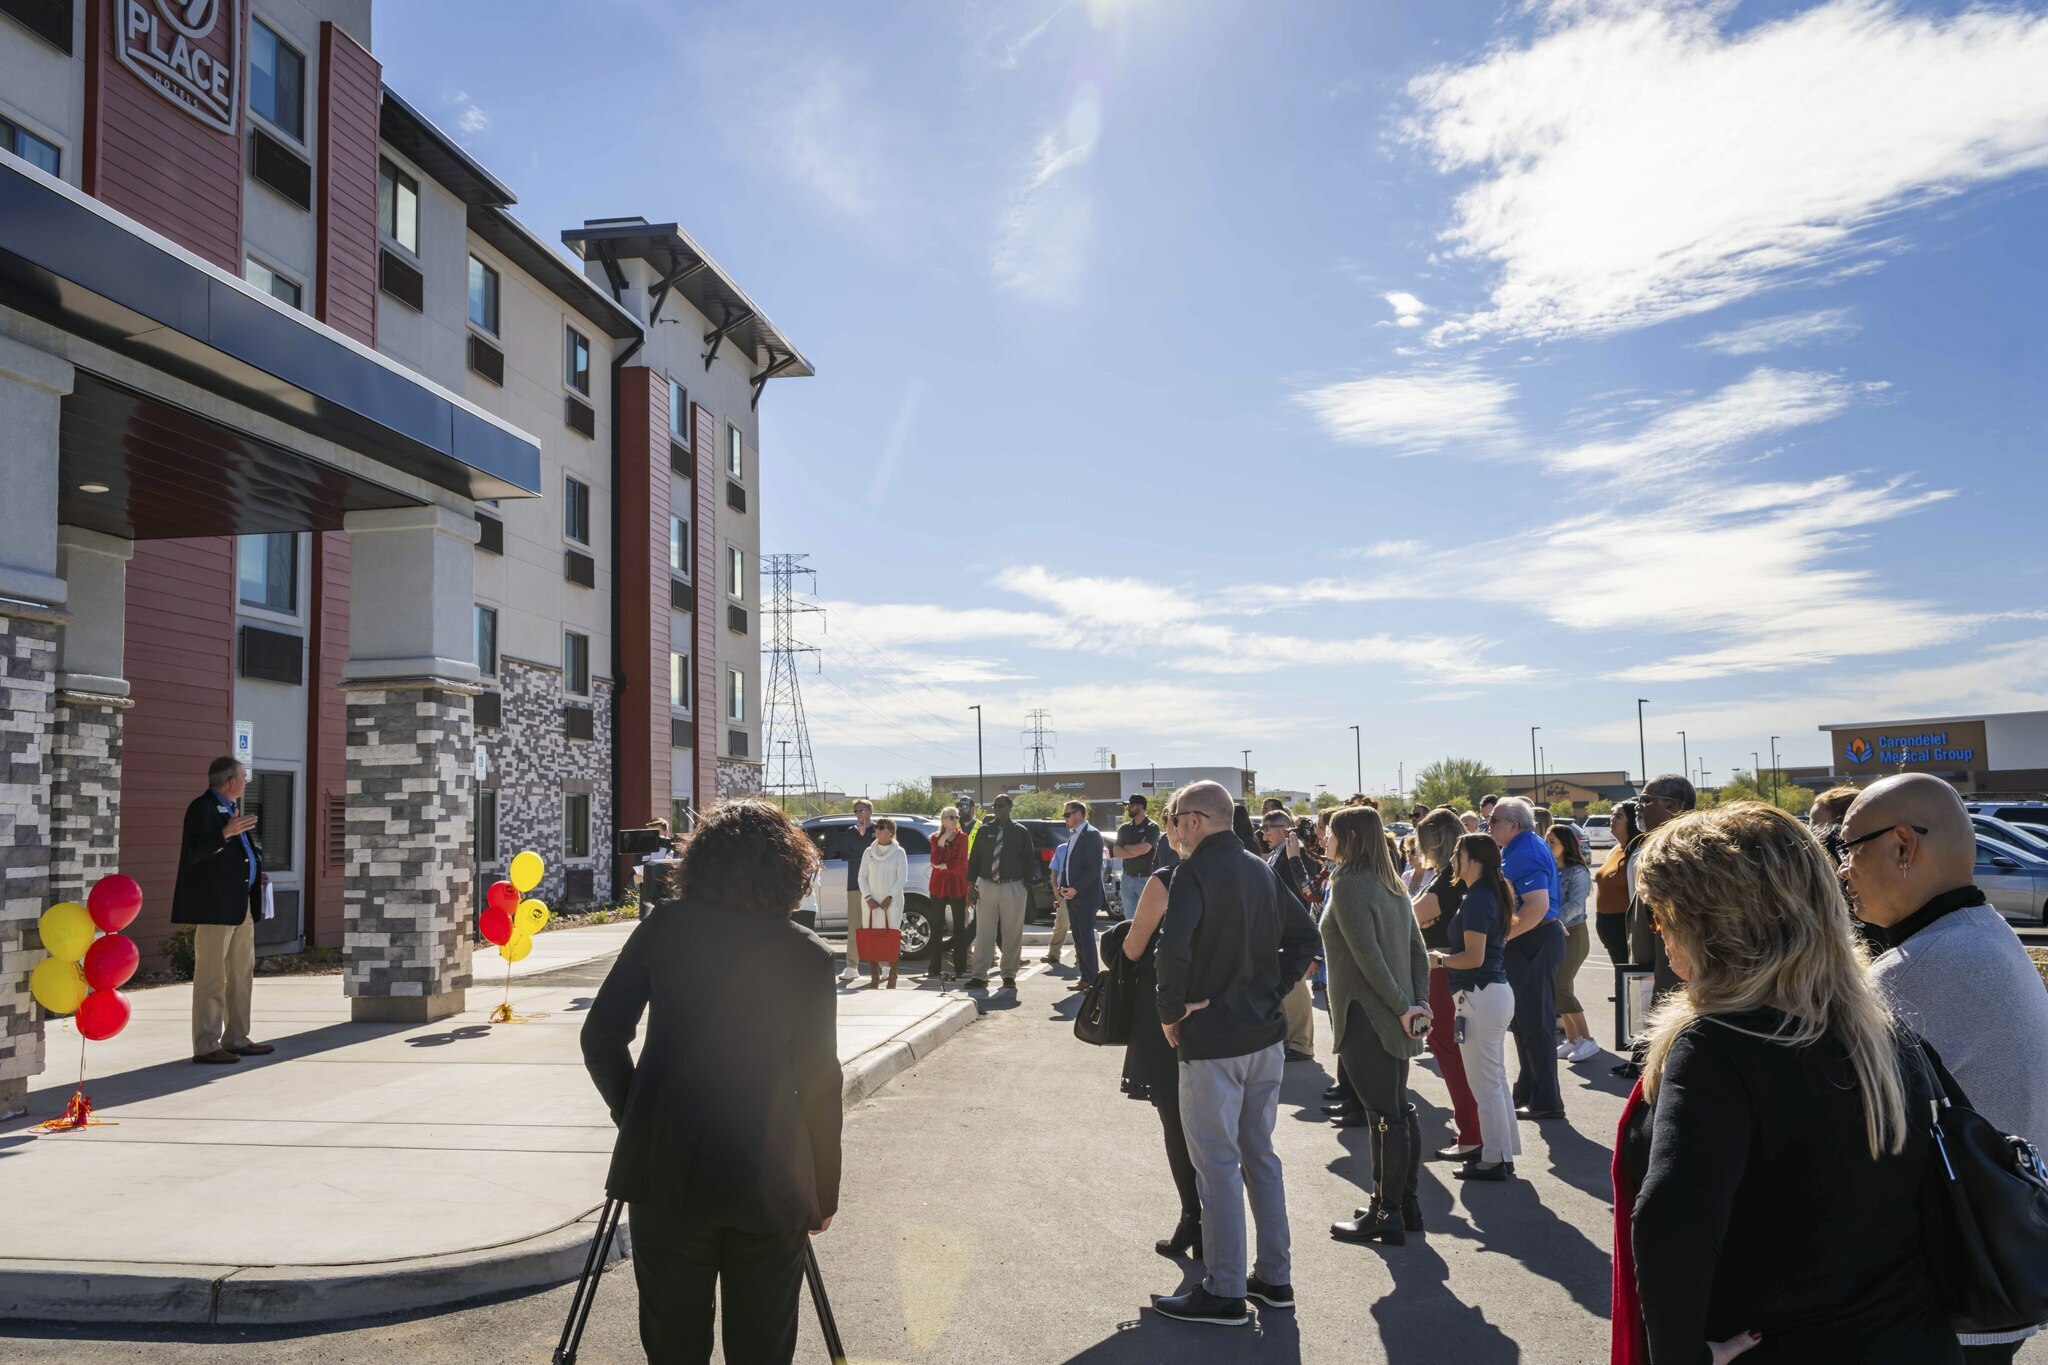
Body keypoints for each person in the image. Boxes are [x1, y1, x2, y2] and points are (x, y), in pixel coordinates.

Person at [1615, 802, 1959, 1365]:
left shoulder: (1716, 1045)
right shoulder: (1880, 1031)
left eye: (1660, 916)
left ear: (1710, 923)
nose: (1659, 935)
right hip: (1911, 1338)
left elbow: (1672, 1226)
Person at [580, 799, 842, 1365]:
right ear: (789, 870)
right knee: (763, 1348)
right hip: (772, 1180)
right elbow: (820, 1083)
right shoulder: (809, 957)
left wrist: (639, 1116)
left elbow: (600, 1037)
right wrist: (824, 1189)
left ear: (700, 862)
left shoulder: (665, 928)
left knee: (673, 1346)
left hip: (666, 1171)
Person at [1841, 774, 2048, 1365]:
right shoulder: (1982, 933)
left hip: (1944, 1297)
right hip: (1994, 1266)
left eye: (1849, 848)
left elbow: (1835, 1123)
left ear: (1903, 845)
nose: (1843, 871)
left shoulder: (1920, 967)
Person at [1151, 781, 1319, 1326]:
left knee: (1218, 1163)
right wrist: (1271, 991)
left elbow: (1170, 948)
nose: (1171, 827)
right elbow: (1306, 937)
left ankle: (1223, 1290)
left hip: (1215, 1041)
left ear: (1195, 820)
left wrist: (1170, 1011)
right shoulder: (1258, 867)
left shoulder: (1194, 872)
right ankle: (1274, 1277)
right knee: (1259, 1156)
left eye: (1173, 817)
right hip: (1263, 1038)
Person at [1322, 805, 1432, 1246]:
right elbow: (1417, 953)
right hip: (1393, 1015)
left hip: (1368, 1016)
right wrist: (1416, 1003)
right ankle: (1402, 1205)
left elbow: (1369, 960)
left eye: (1330, 833)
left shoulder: (1348, 885)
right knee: (1397, 1107)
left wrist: (1406, 1006)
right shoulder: (1391, 884)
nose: (1324, 840)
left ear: (1348, 838)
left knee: (1384, 1115)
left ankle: (1385, 1212)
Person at [1120, 795, 1202, 1263]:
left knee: (1176, 1121)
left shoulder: (1166, 880)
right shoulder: (1251, 872)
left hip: (1170, 1013)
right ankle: (1212, 1225)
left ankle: (1194, 1217)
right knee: (1221, 1130)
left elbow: (1134, 948)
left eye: (1169, 822)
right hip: (1232, 1018)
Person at [1429, 832, 1520, 1181]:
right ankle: (1500, 1152)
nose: (1453, 859)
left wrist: (1437, 961)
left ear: (1476, 860)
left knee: (1487, 1083)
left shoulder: (1479, 899)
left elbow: (1473, 958)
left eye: (1458, 853)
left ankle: (1494, 1159)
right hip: (1487, 995)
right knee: (1492, 1080)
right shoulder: (1481, 895)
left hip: (1481, 995)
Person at [173, 756, 272, 1065]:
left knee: (242, 973)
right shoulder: (201, 808)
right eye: (244, 777)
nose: (246, 782)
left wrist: (256, 871)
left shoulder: (231, 809)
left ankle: (237, 1037)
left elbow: (239, 857)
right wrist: (224, 834)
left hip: (241, 903)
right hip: (215, 907)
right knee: (212, 977)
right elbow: (195, 853)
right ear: (230, 781)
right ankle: (206, 1044)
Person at [1411, 808, 1485, 1162]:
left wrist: (1426, 918)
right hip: (1447, 970)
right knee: (1456, 1051)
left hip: (1445, 971)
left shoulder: (1448, 880)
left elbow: (1413, 916)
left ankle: (1471, 1132)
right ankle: (1472, 1128)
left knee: (1450, 1050)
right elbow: (1418, 914)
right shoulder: (1448, 877)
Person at [1615, 775, 1696, 1080]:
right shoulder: (1651, 843)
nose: (1639, 808)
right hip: (1646, 972)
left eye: (1646, 801)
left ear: (1673, 806)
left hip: (1672, 975)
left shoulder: (1686, 848)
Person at [1489, 796, 1566, 1120]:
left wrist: (1501, 938)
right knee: (1523, 1023)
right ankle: (1529, 1090)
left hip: (1534, 939)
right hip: (1528, 940)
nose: (1488, 825)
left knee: (1536, 1024)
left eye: (1494, 820)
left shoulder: (1527, 849)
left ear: (1513, 825)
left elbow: (1535, 907)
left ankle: (1547, 1100)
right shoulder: (1518, 847)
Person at [965, 794, 1043, 992]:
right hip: (987, 886)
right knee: (984, 933)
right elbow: (974, 859)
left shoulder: (1020, 832)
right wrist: (970, 885)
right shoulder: (985, 831)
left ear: (1010, 807)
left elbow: (1028, 860)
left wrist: (1025, 886)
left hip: (1013, 887)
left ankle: (1009, 975)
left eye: (1000, 805)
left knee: (1012, 933)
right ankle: (980, 976)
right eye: (994, 805)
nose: (997, 809)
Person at [1263, 809, 1318, 1063]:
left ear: (1284, 830)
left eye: (1267, 828)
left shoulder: (1297, 853)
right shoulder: (1276, 853)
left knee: (1295, 987)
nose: (1263, 835)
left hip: (1294, 930)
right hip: (1278, 929)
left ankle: (1301, 1043)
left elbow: (1305, 891)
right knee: (1285, 987)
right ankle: (1289, 1040)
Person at [1550, 824, 1597, 1063]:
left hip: (1574, 933)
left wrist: (1549, 919)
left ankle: (1587, 1040)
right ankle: (1573, 1039)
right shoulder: (1553, 870)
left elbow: (1576, 906)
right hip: (1557, 934)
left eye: (1552, 843)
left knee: (1561, 986)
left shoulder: (1577, 872)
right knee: (1559, 988)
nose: (1548, 847)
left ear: (1565, 845)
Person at [1056, 800, 1106, 988]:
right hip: (1072, 895)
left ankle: (1093, 979)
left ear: (1079, 814)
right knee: (1078, 937)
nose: (1065, 819)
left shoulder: (1092, 834)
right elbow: (1069, 865)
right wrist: (1065, 886)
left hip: (1086, 896)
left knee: (1086, 937)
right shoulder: (1074, 835)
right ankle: (1085, 978)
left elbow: (1094, 868)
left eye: (1067, 815)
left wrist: (1076, 888)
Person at [856, 818, 908, 990]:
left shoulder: (899, 852)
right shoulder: (868, 852)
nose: (876, 830)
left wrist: (890, 897)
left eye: (881, 828)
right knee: (872, 936)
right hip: (871, 902)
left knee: (891, 937)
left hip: (892, 903)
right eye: (876, 827)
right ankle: (874, 977)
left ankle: (892, 977)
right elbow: (861, 877)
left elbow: (902, 878)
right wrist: (868, 897)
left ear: (891, 831)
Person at [837, 799, 880, 985]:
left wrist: (863, 845)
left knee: (877, 925)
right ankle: (851, 966)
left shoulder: (879, 830)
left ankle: (883, 965)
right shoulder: (850, 832)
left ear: (870, 811)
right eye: (855, 811)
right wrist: (862, 845)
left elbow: (879, 854)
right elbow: (845, 855)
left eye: (861, 810)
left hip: (876, 885)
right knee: (855, 926)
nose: (858, 814)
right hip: (855, 885)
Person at [926, 807, 971, 981]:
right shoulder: (935, 838)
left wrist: (943, 866)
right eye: (951, 817)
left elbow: (959, 863)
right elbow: (935, 860)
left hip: (957, 886)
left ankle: (960, 967)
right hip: (938, 886)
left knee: (959, 928)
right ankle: (934, 968)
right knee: (936, 927)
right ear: (943, 820)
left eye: (956, 817)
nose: (955, 820)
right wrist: (942, 841)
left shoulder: (962, 837)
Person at [1592, 800, 1638, 971]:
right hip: (1608, 926)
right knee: (1621, 976)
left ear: (1632, 821)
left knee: (1630, 976)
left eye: (1618, 816)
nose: (1612, 819)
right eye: (1612, 815)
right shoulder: (1615, 850)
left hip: (1624, 927)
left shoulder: (1637, 851)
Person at [1109, 795, 1164, 922]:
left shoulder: (1152, 827)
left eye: (1131, 805)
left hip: (1145, 879)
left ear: (1140, 807)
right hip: (1127, 879)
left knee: (1147, 919)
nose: (1128, 808)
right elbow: (1116, 852)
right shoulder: (1124, 828)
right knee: (1129, 920)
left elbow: (1145, 849)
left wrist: (1126, 847)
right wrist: (1136, 850)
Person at [1043, 835, 1074, 967]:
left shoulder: (1086, 849)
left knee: (1082, 927)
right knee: (1061, 924)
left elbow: (1099, 869)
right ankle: (1053, 954)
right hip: (1064, 892)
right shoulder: (1061, 849)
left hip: (1083, 893)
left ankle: (1082, 956)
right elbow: (1054, 871)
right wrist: (1055, 889)